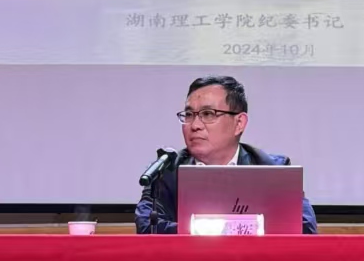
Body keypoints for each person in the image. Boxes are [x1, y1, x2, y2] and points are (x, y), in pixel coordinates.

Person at [135, 75, 317, 234]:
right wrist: (232, 228)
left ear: (239, 123)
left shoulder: (273, 170)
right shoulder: (166, 172)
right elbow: (148, 227)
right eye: (189, 114)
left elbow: (305, 228)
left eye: (208, 114)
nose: (195, 125)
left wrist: (214, 229)